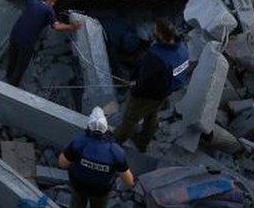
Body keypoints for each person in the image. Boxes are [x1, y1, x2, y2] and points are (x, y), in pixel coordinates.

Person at [114, 19, 189, 152]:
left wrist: (134, 86)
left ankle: (116, 141)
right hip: (164, 92)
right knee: (152, 115)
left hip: (146, 95)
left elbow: (144, 81)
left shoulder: (155, 57)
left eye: (155, 31)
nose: (153, 32)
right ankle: (143, 142)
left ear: (160, 35)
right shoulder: (182, 48)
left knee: (130, 119)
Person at [5, 0, 81, 86]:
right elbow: (56, 26)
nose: (53, 6)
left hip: (15, 35)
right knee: (21, 65)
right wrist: (71, 27)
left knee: (12, 59)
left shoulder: (32, 2)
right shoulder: (49, 10)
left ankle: (7, 78)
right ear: (50, 1)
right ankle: (12, 86)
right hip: (27, 41)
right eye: (53, 4)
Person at [59, 107, 134, 208]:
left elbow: (62, 164)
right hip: (100, 192)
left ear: (89, 126)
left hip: (78, 186)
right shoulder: (116, 151)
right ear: (106, 128)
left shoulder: (78, 143)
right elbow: (129, 181)